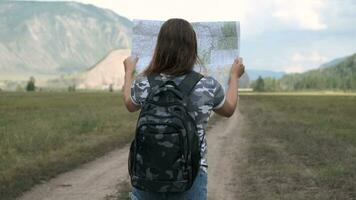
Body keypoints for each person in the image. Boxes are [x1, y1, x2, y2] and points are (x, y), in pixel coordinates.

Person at [122, 18, 245, 200]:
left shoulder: (145, 83)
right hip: (191, 175)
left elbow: (129, 104)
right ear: (192, 48)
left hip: (148, 174)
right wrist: (234, 76)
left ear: (159, 47)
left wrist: (128, 72)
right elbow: (229, 109)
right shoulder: (207, 86)